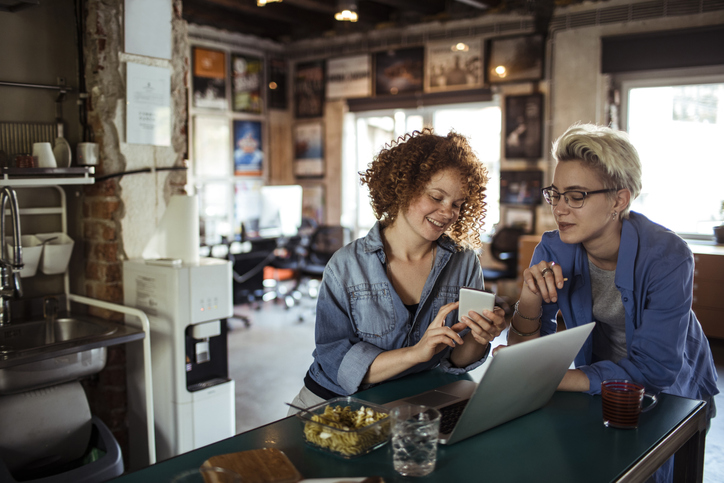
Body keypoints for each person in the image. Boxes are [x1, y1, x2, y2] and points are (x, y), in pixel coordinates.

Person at [505, 123, 718, 483]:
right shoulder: (553, 248)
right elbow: (524, 349)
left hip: (673, 388)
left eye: (576, 196)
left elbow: (657, 371)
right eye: (555, 194)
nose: (560, 208)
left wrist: (551, 378)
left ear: (619, 200)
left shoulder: (668, 256)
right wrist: (527, 298)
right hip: (600, 380)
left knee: (660, 473)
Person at [289, 129, 507, 413]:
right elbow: (337, 361)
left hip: (414, 402)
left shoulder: (464, 262)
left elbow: (459, 359)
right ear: (404, 188)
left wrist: (481, 335)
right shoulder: (346, 265)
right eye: (437, 197)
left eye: (457, 204)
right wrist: (416, 353)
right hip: (335, 405)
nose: (447, 212)